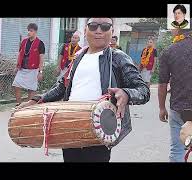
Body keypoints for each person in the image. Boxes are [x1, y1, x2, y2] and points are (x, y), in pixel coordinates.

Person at [17, 18, 150, 162]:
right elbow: (62, 86)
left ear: (112, 32)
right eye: (93, 26)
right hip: (69, 124)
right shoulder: (78, 57)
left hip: (100, 129)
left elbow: (143, 90)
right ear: (86, 30)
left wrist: (126, 93)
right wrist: (36, 100)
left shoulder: (118, 58)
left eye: (105, 27)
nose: (98, 30)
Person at [158, 28, 192, 162]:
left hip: (179, 108)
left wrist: (162, 108)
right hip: (179, 107)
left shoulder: (169, 51)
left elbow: (162, 84)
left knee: (177, 150)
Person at [12, 23, 45, 106]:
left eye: (31, 31)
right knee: (16, 85)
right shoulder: (24, 42)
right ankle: (19, 104)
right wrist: (17, 66)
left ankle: (27, 106)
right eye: (28, 30)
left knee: (31, 89)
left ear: (35, 32)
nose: (29, 32)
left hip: (33, 70)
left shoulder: (40, 43)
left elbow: (41, 59)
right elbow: (20, 54)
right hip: (22, 69)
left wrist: (40, 72)